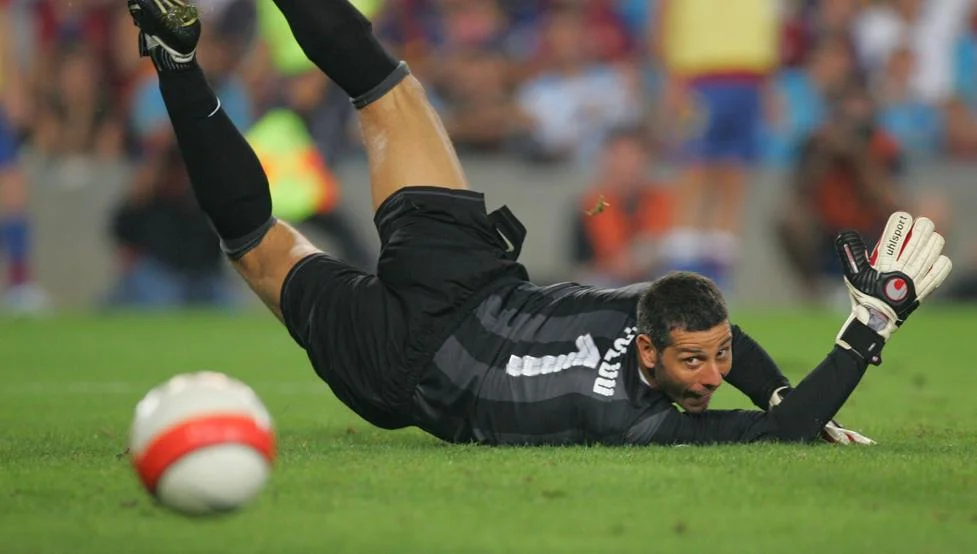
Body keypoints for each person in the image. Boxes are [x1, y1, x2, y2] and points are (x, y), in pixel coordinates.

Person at [125, 0, 953, 446]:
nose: (710, 379)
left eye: (715, 361)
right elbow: (784, 432)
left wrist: (777, 389)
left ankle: (174, 53)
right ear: (649, 349)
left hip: (429, 333)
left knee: (365, 124)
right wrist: (868, 325)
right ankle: (177, 62)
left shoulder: (646, 316)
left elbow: (743, 368)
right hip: (446, 319)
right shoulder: (644, 424)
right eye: (697, 363)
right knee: (268, 237)